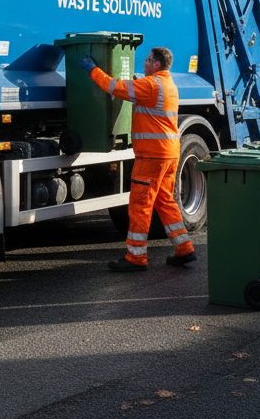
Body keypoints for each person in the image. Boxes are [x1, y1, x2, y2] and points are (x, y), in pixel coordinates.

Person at [81, 46, 194, 272]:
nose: (145, 63)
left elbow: (116, 88)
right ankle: (184, 248)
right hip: (169, 153)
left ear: (157, 64)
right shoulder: (168, 85)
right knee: (164, 200)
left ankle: (136, 256)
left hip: (152, 155)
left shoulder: (151, 85)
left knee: (140, 204)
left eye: (148, 60)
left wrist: (93, 69)